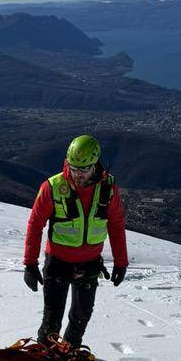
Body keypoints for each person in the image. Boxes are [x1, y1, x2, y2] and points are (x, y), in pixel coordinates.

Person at [23, 134, 128, 348]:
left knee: (80, 318)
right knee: (52, 320)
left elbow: (116, 224)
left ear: (95, 165)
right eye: (74, 168)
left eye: (84, 169)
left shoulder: (107, 188)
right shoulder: (52, 187)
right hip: (58, 262)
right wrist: (30, 263)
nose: (78, 174)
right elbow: (35, 224)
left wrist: (121, 262)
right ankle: (46, 357)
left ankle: (69, 355)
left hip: (89, 263)